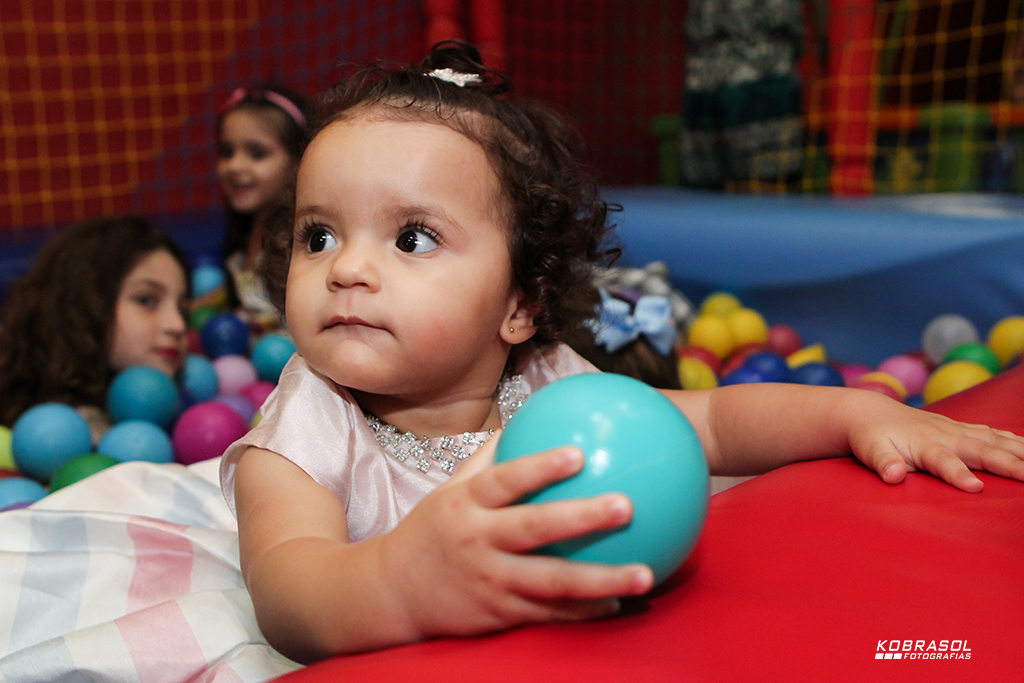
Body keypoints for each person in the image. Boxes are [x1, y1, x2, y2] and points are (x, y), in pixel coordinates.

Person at [219, 41, 1024, 664]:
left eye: (412, 237)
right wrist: (400, 581)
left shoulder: (544, 385)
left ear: (519, 305)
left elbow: (710, 422)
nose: (348, 268)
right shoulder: (307, 423)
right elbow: (292, 586)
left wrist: (857, 410)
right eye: (318, 234)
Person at [0, 215, 190, 439]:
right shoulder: (50, 431)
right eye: (146, 300)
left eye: (183, 309)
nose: (177, 325)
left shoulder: (188, 412)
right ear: (82, 307)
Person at [211, 85, 309, 332]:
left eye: (257, 154)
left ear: (297, 162)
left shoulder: (295, 243)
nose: (234, 166)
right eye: (227, 152)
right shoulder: (246, 230)